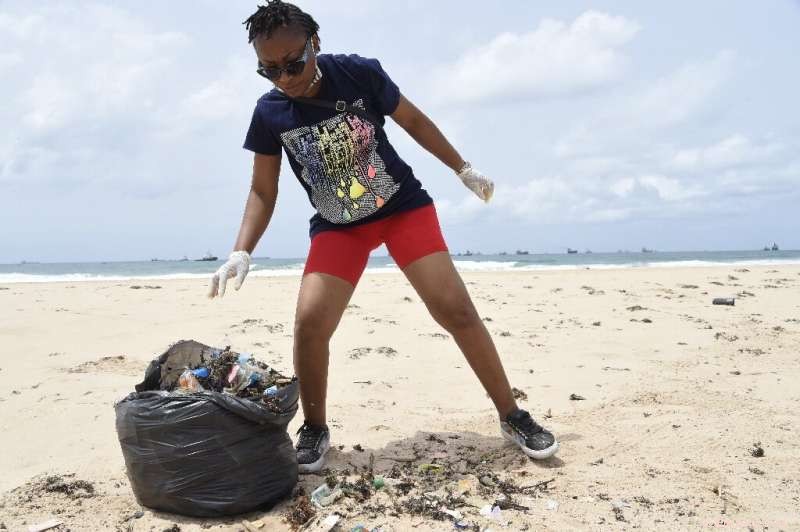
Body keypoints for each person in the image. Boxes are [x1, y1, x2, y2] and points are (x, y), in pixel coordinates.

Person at [208, 0, 558, 473]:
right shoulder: (270, 112)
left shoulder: (358, 74)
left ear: (315, 44)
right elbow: (262, 190)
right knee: (310, 323)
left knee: (454, 309)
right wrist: (241, 249)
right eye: (269, 70)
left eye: (293, 63)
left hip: (401, 210)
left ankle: (512, 415)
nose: (284, 77)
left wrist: (463, 168)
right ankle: (314, 427)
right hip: (339, 227)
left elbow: (413, 120)